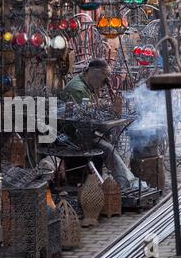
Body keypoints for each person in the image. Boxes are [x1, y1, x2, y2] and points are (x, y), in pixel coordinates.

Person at [63, 59, 147, 190]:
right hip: (71, 136)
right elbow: (85, 118)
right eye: (102, 80)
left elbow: (92, 110)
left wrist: (106, 106)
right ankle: (127, 183)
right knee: (108, 148)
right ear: (94, 75)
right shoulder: (78, 89)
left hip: (82, 131)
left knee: (108, 141)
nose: (102, 85)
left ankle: (123, 180)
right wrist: (103, 109)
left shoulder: (88, 84)